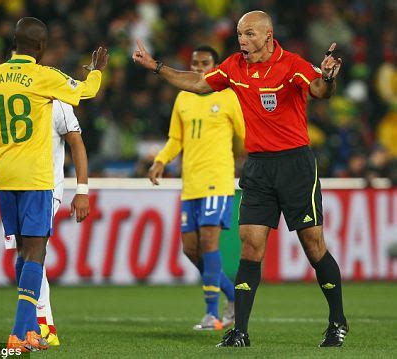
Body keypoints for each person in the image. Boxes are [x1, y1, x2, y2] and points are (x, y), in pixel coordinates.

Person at [133, 10, 347, 348]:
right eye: (239, 34)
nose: (242, 40)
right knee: (250, 244)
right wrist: (156, 66)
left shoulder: (291, 64)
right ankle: (240, 332)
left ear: (267, 35)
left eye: (248, 34)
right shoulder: (234, 66)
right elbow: (198, 83)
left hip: (295, 166)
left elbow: (320, 90)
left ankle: (337, 321)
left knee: (313, 244)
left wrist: (330, 78)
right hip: (258, 167)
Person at [0, 17, 108, 351]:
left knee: (21, 251)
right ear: (41, 47)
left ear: (14, 43)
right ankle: (19, 332)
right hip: (37, 178)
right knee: (36, 252)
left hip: (5, 178)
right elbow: (87, 91)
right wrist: (96, 69)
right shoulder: (44, 76)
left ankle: (32, 329)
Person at [148, 46, 245, 331]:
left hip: (218, 180)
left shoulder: (228, 97)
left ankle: (212, 315)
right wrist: (160, 161)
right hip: (190, 184)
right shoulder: (183, 98)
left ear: (216, 66)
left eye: (205, 63)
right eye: (195, 63)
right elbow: (175, 138)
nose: (200, 67)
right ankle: (233, 296)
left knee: (209, 244)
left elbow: (247, 135)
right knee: (190, 249)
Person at [0, 99, 88, 346]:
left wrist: (82, 190)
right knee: (26, 253)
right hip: (12, 185)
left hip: (46, 188)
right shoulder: (1, 97)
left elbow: (76, 144)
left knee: (33, 250)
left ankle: (40, 325)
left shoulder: (55, 100)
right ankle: (33, 327)